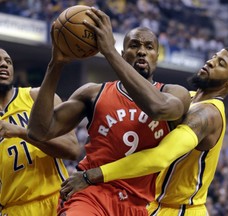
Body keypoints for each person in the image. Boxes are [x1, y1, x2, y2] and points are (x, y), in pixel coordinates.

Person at [59, 25, 228, 215]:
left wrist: (93, 175)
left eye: (221, 64)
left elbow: (159, 157)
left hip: (181, 210)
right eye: (214, 57)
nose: (210, 62)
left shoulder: (208, 114)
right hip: (152, 205)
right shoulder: (186, 98)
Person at [27, 8, 191, 216]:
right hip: (91, 193)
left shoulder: (174, 93)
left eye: (149, 47)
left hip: (138, 205)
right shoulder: (93, 93)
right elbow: (38, 131)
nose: (142, 51)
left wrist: (109, 52)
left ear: (156, 57)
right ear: (124, 54)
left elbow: (159, 109)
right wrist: (56, 64)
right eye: (134, 45)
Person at [0, 47, 80, 216]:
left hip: (58, 200)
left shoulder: (38, 97)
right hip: (15, 209)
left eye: (8, 61)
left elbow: (72, 150)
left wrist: (21, 132)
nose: (4, 64)